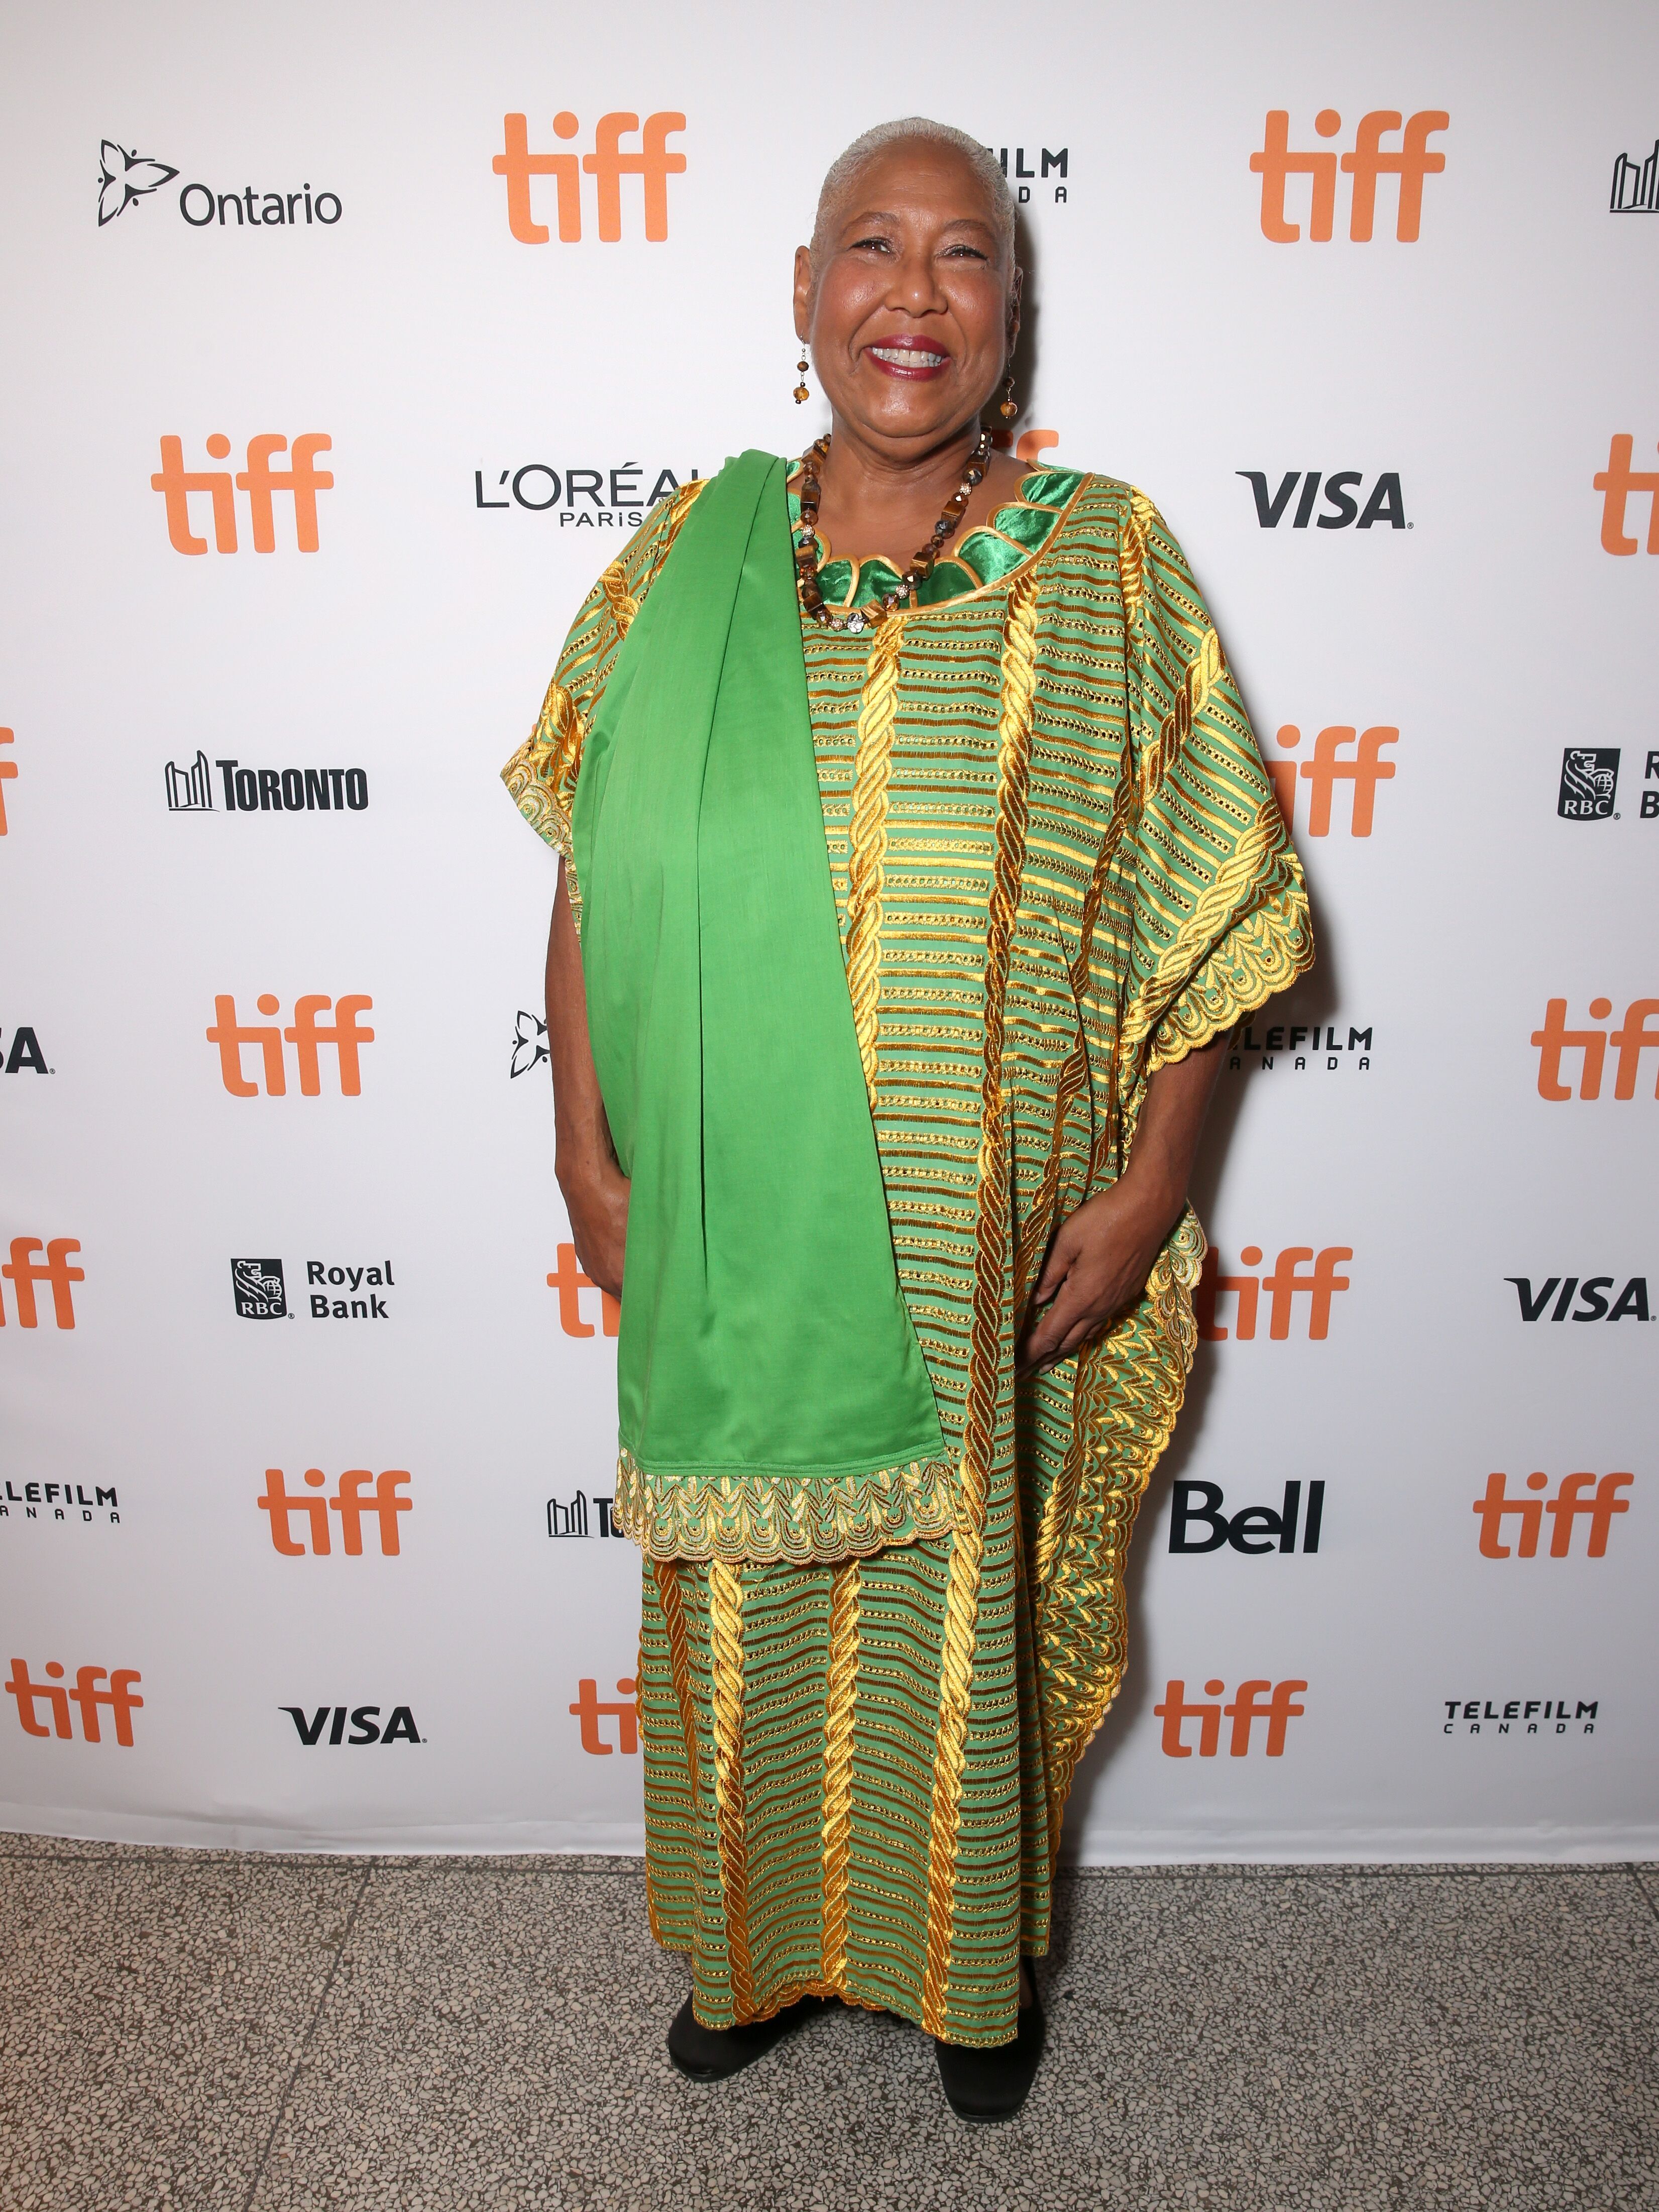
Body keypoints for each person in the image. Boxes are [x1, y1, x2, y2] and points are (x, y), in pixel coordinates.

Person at [502, 116, 1311, 2123]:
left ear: (1007, 313)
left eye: (965, 255)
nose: (915, 296)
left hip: (983, 1239)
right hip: (727, 1220)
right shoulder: (681, 564)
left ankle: (968, 1981)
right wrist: (579, 1148)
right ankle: (758, 1952)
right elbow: (596, 866)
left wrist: (1149, 1187)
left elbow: (1196, 904)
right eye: (872, 247)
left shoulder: (1102, 564)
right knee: (742, 1592)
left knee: (963, 1602)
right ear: (802, 294)